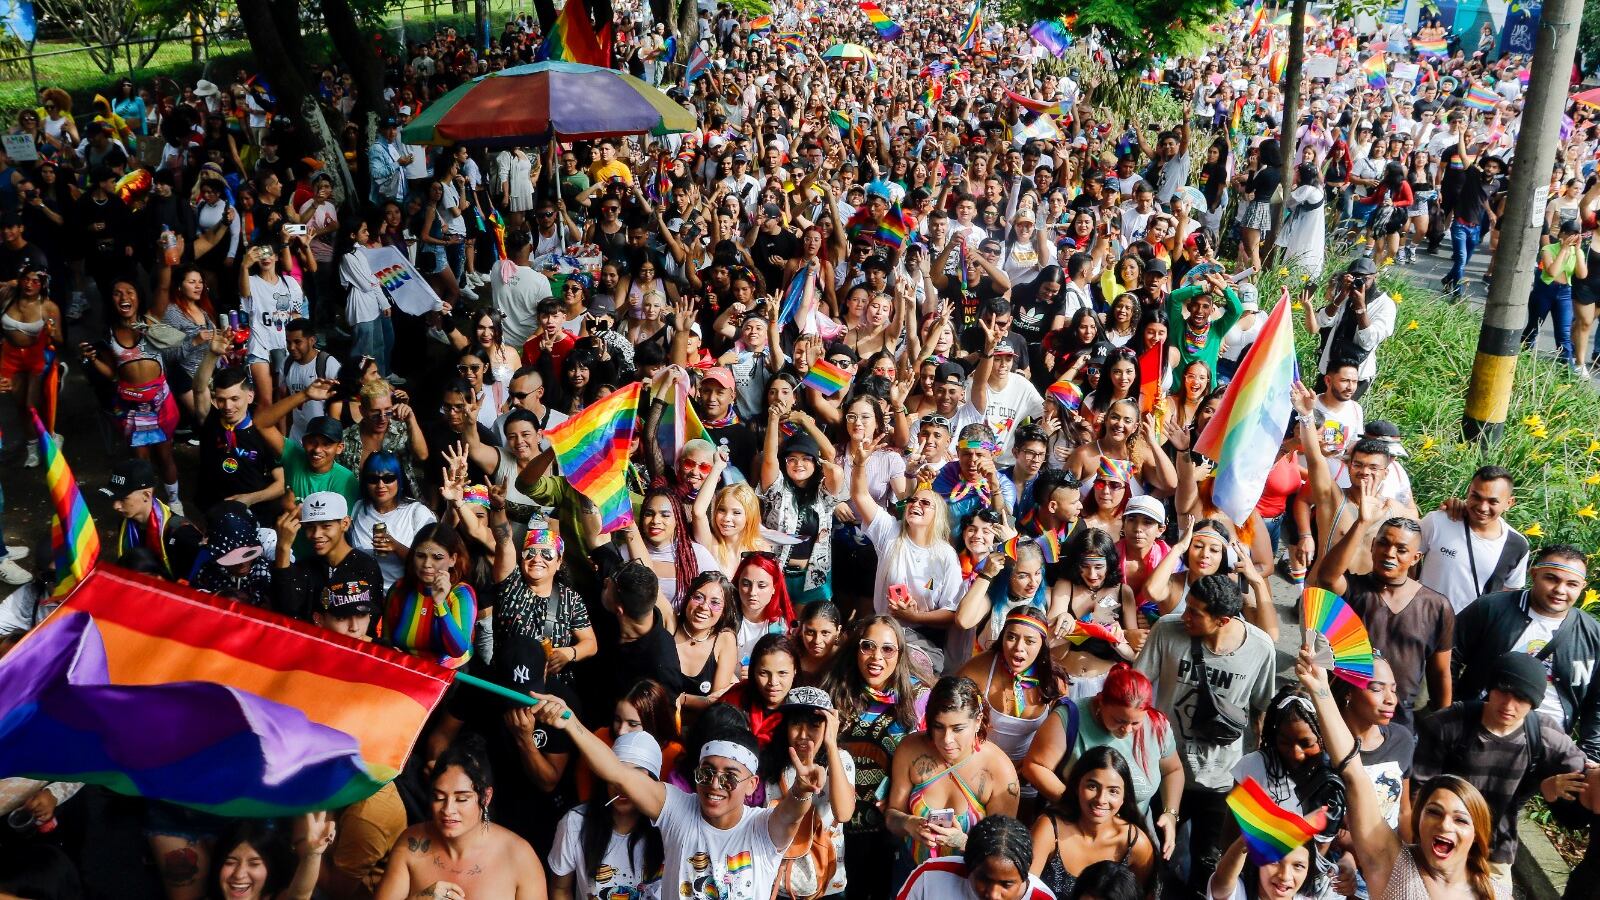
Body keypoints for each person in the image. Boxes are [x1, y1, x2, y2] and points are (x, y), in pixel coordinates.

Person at [531, 694, 825, 900]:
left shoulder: (762, 829)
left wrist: (800, 791)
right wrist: (571, 724)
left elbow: (791, 814)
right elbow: (616, 772)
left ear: (752, 785)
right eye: (706, 772)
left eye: (730, 776)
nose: (715, 784)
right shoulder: (676, 809)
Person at [1296, 646, 1507, 900]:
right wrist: (1320, 689)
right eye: (1433, 812)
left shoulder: (1497, 894)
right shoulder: (1394, 869)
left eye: (1461, 819)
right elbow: (1354, 772)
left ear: (1477, 835)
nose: (1444, 824)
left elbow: (1402, 810)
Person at [1134, 573, 1276, 895]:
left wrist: (1262, 771)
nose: (1184, 616)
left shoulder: (1260, 648)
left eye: (1195, 613)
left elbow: (1262, 711)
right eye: (1187, 607)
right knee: (1157, 860)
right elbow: (1137, 691)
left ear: (1223, 620)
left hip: (1222, 781)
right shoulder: (1167, 631)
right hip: (1167, 772)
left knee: (1208, 866)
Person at [1311, 479, 1453, 730]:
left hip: (1398, 721)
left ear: (1415, 558)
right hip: (1344, 712)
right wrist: (1362, 523)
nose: (1390, 553)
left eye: (1401, 549)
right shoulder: (1354, 589)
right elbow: (1327, 577)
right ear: (1373, 547)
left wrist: (1443, 726)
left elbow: (1440, 673)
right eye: (1384, 544)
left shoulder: (1436, 606)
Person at [1021, 663, 1181, 852]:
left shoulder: (1157, 726)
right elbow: (1034, 766)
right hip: (1075, 836)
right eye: (1119, 720)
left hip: (1134, 840)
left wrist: (1170, 813)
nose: (1127, 730)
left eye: (1135, 723)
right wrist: (1076, 805)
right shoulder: (1070, 718)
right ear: (1101, 702)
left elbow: (1173, 770)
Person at [373, 737, 547, 899]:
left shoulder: (519, 856)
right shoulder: (411, 844)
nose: (448, 809)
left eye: (461, 799)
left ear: (485, 797)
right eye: (439, 798)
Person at [885, 675, 1021, 879]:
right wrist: (908, 823)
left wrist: (964, 842)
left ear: (977, 722)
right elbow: (892, 815)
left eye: (958, 729)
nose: (947, 740)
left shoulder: (1000, 771)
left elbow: (1003, 851)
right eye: (938, 727)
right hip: (911, 872)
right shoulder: (910, 749)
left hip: (968, 880)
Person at [758, 686, 858, 899]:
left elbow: (844, 814)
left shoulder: (841, 760)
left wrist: (831, 745)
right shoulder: (770, 761)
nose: (803, 735)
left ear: (829, 726)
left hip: (829, 885)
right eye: (795, 723)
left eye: (814, 725)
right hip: (776, 881)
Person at [548, 730, 665, 900]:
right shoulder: (574, 823)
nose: (624, 785)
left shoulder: (669, 827)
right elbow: (560, 889)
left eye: (636, 776)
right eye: (618, 774)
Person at [1029, 747, 1155, 896]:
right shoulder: (1049, 829)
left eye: (1113, 791)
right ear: (1077, 786)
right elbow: (1024, 890)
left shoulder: (1135, 843)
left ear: (1124, 797)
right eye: (1092, 786)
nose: (1101, 799)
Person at [1418, 466, 1529, 612]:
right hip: (1424, 622)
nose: (1483, 507)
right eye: (1476, 497)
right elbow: (1407, 560)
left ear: (1509, 503)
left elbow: (1509, 593)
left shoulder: (1517, 545)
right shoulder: (1438, 521)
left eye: (1493, 502)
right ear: (1468, 492)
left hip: (1472, 631)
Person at [896, 815, 1055, 900]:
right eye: (984, 879)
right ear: (969, 866)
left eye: (1006, 884)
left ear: (1024, 876)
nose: (993, 895)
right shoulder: (929, 877)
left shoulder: (1043, 898)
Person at [103, 457, 203, 582]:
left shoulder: (183, 535)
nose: (116, 506)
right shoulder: (125, 524)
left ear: (146, 495)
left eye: (123, 499)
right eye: (114, 498)